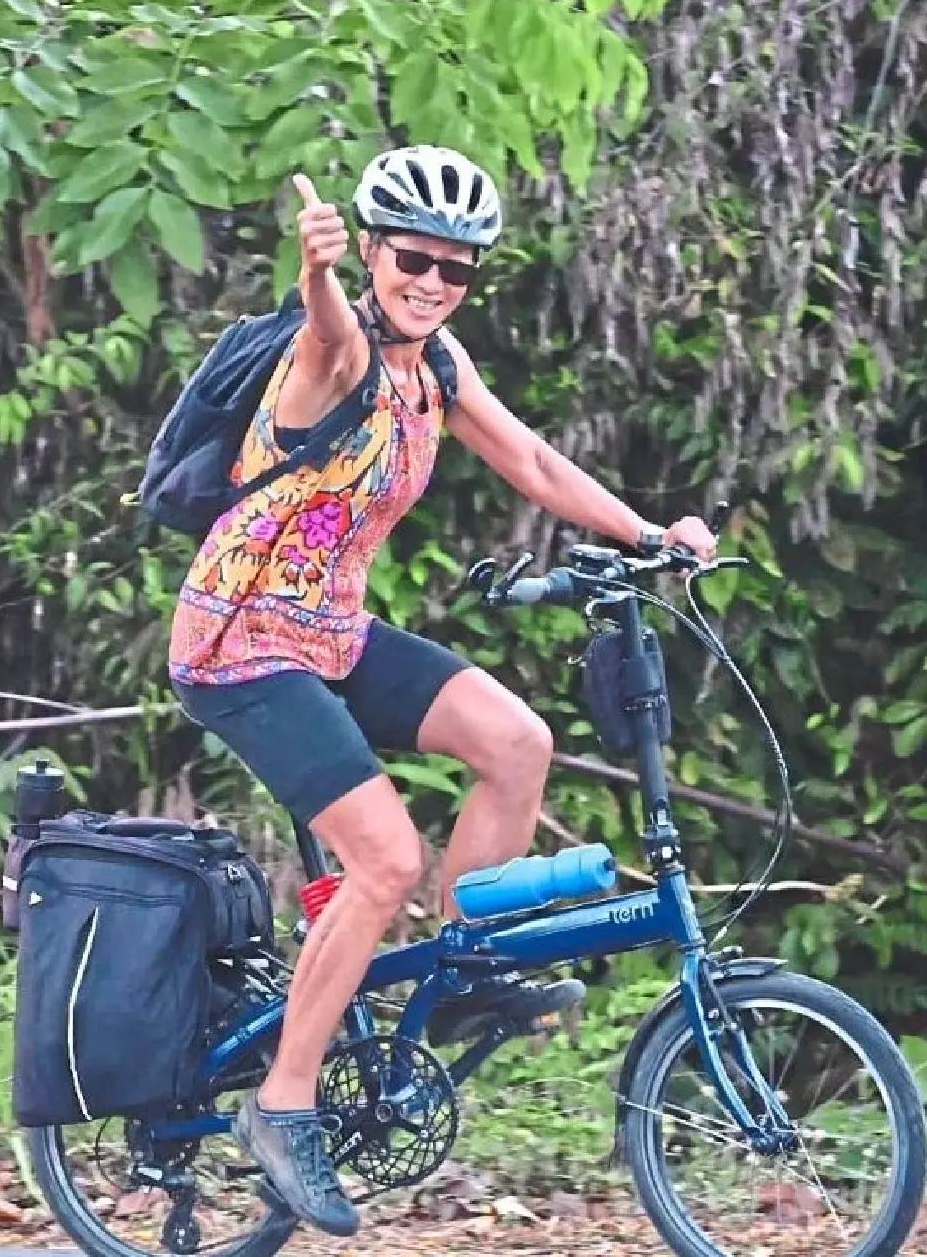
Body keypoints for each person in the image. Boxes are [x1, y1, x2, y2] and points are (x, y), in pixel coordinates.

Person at [166, 145, 718, 1236]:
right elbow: (328, 332)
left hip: (331, 631)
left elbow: (537, 466)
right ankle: (283, 1101)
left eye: (454, 268)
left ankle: (463, 966)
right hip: (241, 642)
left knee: (516, 743)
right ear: (374, 252)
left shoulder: (440, 366)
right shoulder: (331, 351)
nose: (430, 282)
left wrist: (651, 535)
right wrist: (316, 271)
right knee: (384, 859)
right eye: (411, 259)